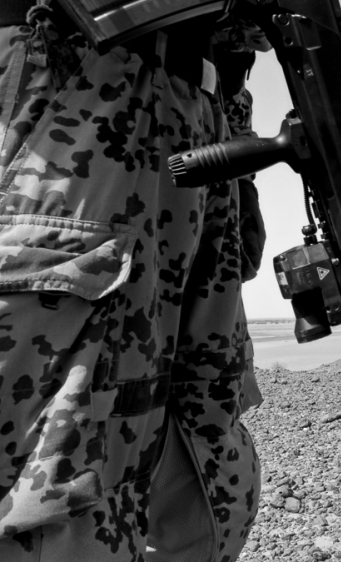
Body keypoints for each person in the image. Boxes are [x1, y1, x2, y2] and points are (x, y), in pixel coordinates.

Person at [0, 4, 262, 560]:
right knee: (49, 488)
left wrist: (235, 118)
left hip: (197, 106)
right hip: (67, 84)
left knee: (206, 455)